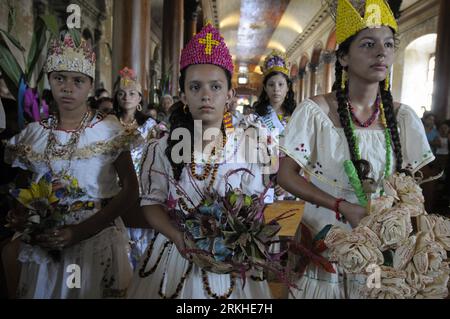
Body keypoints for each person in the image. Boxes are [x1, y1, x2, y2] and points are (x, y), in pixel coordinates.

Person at [277, 0, 434, 298]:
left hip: (381, 241)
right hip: (325, 233)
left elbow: (419, 186)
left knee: (373, 290)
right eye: (368, 44)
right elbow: (286, 176)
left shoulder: (403, 117)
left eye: (388, 44)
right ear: (344, 57)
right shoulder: (315, 112)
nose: (381, 52)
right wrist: (342, 206)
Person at [128, 23, 273, 299]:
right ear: (183, 95)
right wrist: (179, 237)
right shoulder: (161, 147)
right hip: (176, 251)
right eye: (195, 87)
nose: (206, 95)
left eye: (216, 87)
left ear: (229, 95)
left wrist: (237, 234)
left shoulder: (248, 148)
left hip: (230, 257)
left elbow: (256, 206)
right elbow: (151, 203)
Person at [4, 32, 137, 298]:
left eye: (77, 81)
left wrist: (82, 230)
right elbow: (21, 188)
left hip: (94, 236)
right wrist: (26, 219)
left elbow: (131, 189)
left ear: (90, 85)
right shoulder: (34, 134)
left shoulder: (108, 129)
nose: (67, 88)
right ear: (49, 81)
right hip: (45, 241)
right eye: (59, 79)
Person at [113, 67, 157, 269]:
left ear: (140, 98)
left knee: (141, 239)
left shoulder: (150, 126)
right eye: (121, 94)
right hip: (114, 183)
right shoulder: (109, 123)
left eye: (132, 94)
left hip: (142, 184)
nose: (126, 98)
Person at [254, 50, 297, 201]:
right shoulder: (256, 118)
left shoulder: (297, 117)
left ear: (287, 87)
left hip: (290, 182)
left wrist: (287, 180)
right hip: (261, 179)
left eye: (280, 84)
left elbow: (303, 154)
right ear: (265, 88)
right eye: (271, 85)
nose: (276, 89)